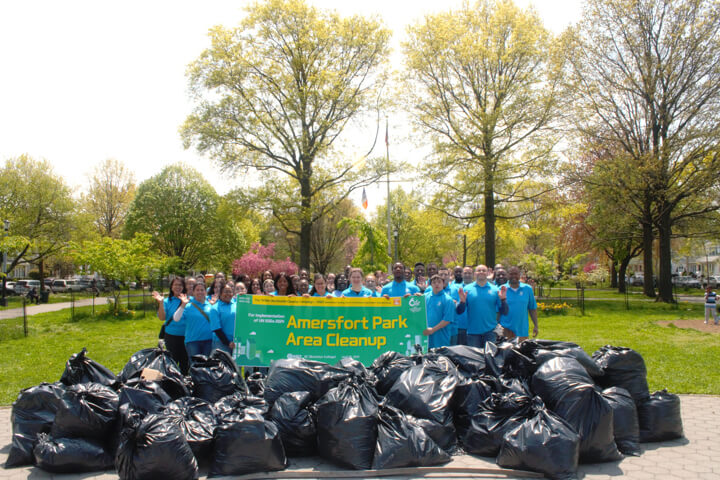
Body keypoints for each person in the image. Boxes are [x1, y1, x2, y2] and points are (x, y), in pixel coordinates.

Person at [464, 265, 508, 348]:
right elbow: (460, 311)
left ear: (487, 273)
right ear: (474, 273)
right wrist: (462, 302)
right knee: (475, 359)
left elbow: (505, 312)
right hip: (473, 332)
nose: (481, 272)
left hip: (490, 332)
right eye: (479, 270)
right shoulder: (467, 289)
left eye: (483, 270)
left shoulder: (495, 289)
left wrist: (503, 300)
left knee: (490, 359)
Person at [152, 277, 189, 375]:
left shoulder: (189, 300)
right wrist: (160, 303)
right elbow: (162, 317)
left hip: (187, 336)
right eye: (175, 285)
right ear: (171, 287)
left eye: (180, 285)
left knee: (185, 363)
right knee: (172, 362)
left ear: (184, 287)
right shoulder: (167, 301)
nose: (178, 287)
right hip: (171, 337)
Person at [174, 282, 214, 365]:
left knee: (207, 366)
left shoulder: (211, 305)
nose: (200, 292)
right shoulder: (188, 306)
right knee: (195, 366)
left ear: (205, 292)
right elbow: (176, 318)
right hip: (193, 341)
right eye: (197, 290)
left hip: (208, 340)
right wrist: (183, 305)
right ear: (193, 292)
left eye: (202, 290)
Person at [499, 266, 539, 342]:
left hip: (522, 330)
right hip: (505, 330)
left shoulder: (528, 289)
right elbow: (497, 310)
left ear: (519, 275)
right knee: (506, 353)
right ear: (507, 275)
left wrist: (536, 325)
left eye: (516, 274)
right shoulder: (501, 289)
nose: (513, 276)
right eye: (511, 274)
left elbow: (532, 308)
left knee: (520, 353)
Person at [423, 275, 457, 348]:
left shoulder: (448, 300)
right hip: (426, 336)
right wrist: (412, 297)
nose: (436, 284)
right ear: (430, 284)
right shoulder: (424, 297)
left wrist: (432, 330)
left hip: (441, 337)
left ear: (443, 284)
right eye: (434, 282)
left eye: (439, 282)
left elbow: (447, 320)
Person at [210, 284, 236, 354]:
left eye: (230, 292)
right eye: (225, 292)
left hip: (236, 343)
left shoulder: (236, 305)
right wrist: (228, 343)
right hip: (221, 343)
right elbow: (216, 329)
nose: (228, 294)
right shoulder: (215, 308)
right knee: (222, 364)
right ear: (220, 293)